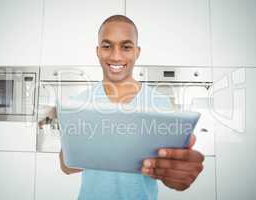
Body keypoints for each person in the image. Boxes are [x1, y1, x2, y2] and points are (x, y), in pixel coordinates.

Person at [59, 15, 204, 200]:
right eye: (107, 46)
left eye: (126, 47)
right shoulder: (79, 103)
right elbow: (66, 167)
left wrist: (176, 177)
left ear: (137, 51)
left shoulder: (161, 104)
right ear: (97, 51)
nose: (116, 56)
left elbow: (169, 172)